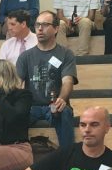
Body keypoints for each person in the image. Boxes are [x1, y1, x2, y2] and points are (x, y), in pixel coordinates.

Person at [15, 10, 77, 153]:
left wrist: (62, 98)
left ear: (56, 29)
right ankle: (18, 153)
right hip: (31, 106)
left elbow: (68, 81)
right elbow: (17, 84)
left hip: (54, 104)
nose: (40, 28)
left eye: (45, 25)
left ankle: (67, 156)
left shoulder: (66, 54)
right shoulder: (25, 57)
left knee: (64, 112)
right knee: (14, 113)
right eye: (37, 25)